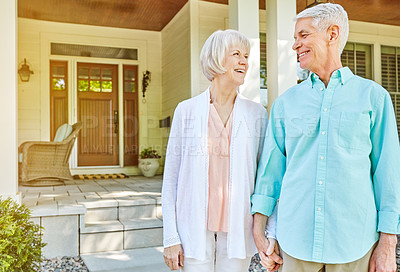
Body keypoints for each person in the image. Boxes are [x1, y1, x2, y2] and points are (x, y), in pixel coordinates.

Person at [251, 3, 400, 272]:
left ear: (332, 34)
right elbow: (270, 173)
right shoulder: (285, 104)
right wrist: (259, 229)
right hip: (294, 243)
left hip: (355, 244)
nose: (295, 45)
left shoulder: (374, 98)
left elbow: (387, 175)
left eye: (303, 35)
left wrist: (388, 244)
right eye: (295, 37)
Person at [161, 29, 268, 271]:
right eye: (236, 54)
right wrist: (170, 237)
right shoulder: (186, 111)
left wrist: (266, 231)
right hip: (193, 228)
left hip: (239, 229)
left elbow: (265, 179)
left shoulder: (256, 114)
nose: (244, 61)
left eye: (247, 56)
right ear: (217, 58)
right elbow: (171, 179)